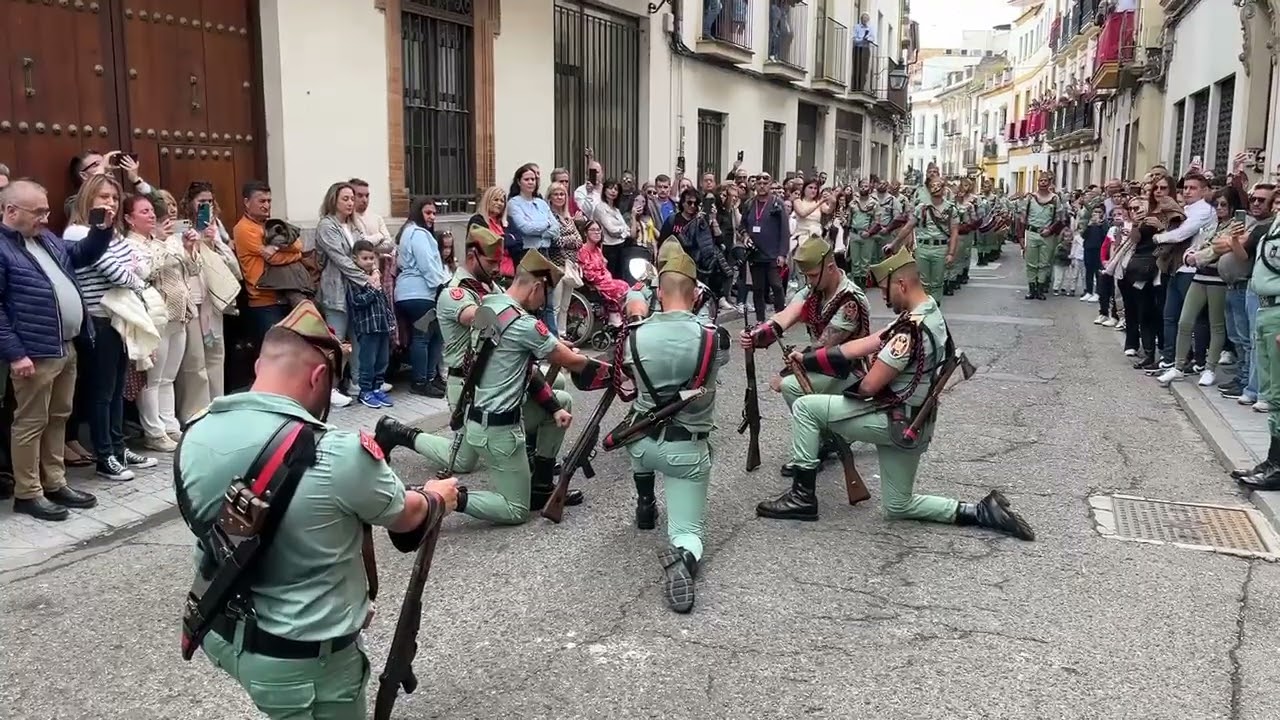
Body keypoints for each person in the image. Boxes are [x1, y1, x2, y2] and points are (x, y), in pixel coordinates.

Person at [176, 300, 460, 719]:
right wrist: (438, 496)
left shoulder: (194, 433)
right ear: (318, 376)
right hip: (302, 661)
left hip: (222, 632)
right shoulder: (337, 452)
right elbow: (409, 516)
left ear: (260, 366)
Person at [754, 248, 1035, 541]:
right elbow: (869, 342)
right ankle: (979, 511)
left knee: (806, 409)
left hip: (893, 421)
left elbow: (868, 387)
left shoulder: (908, 331)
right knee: (899, 505)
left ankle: (802, 497)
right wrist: (809, 359)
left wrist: (834, 405)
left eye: (885, 290)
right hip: (914, 425)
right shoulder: (927, 313)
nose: (883, 297)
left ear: (901, 284)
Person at [378, 249, 595, 522]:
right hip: (482, 409)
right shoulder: (499, 312)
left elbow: (516, 359)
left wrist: (552, 402)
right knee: (501, 496)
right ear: (537, 287)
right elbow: (571, 362)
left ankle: (538, 485)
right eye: (546, 293)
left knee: (559, 401)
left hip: (475, 403)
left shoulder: (490, 304)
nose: (544, 302)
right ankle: (433, 494)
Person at [0, 180, 115, 520]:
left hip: (65, 346)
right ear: (10, 211)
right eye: (38, 212)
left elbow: (78, 256)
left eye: (46, 211)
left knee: (58, 418)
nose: (45, 219)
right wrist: (15, 353)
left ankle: (55, 482)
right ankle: (28, 492)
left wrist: (100, 232)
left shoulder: (45, 239)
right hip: (33, 353)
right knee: (31, 422)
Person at [619, 247, 725, 613]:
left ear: (658, 293)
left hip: (643, 446)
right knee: (688, 534)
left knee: (638, 420)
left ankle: (645, 504)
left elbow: (627, 381)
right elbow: (716, 361)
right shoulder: (714, 338)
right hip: (686, 452)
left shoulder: (633, 336)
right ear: (696, 294)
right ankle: (682, 561)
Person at [741, 236, 870, 476]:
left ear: (830, 268)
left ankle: (817, 447)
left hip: (848, 370)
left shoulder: (849, 300)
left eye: (811, 275)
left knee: (791, 386)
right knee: (793, 385)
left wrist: (786, 374)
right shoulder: (816, 288)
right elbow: (788, 314)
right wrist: (759, 334)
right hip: (823, 367)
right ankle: (825, 436)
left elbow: (824, 346)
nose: (808, 281)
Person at [394, 197, 448, 398]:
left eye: (434, 213)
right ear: (418, 212)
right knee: (424, 337)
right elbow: (427, 264)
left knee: (434, 335)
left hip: (412, 293)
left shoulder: (409, 233)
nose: (432, 217)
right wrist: (441, 285)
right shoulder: (417, 233)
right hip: (419, 293)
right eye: (428, 212)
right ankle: (420, 381)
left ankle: (429, 378)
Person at [893, 177, 958, 303]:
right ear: (928, 189)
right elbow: (908, 227)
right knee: (923, 283)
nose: (936, 188)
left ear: (944, 189)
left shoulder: (950, 209)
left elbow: (954, 233)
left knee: (937, 283)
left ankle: (935, 308)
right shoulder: (921, 208)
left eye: (939, 185)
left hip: (940, 248)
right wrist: (894, 243)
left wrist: (951, 253)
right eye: (933, 185)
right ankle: (924, 308)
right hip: (923, 248)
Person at [347, 240, 394, 408]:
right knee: (368, 360)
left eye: (371, 258)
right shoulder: (356, 280)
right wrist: (373, 290)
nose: (369, 262)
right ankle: (365, 391)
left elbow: (383, 302)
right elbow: (357, 302)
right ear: (355, 259)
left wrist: (389, 321)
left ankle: (376, 388)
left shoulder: (375, 277)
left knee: (382, 360)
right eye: (364, 258)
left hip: (381, 325)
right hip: (367, 327)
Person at [1018, 171, 1069, 300]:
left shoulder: (1055, 199)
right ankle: (1032, 289)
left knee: (1044, 263)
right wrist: (1021, 238)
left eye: (1046, 181)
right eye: (1041, 181)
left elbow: (1059, 219)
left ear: (1049, 183)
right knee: (1031, 263)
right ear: (1038, 182)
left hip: (1047, 235)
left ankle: (1040, 289)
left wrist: (1050, 230)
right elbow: (1023, 219)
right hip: (1032, 232)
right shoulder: (1030, 198)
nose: (1043, 183)